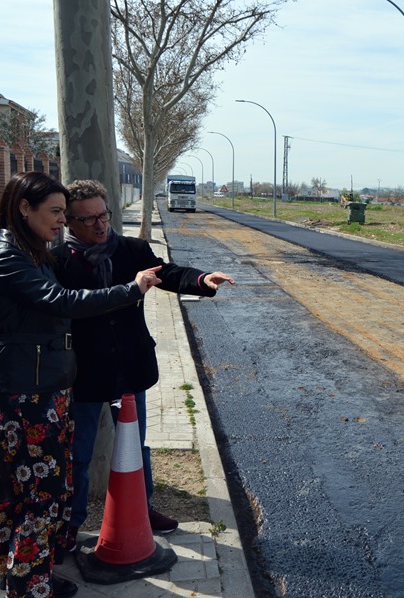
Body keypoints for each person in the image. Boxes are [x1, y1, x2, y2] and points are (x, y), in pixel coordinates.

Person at [0, 171, 162, 598]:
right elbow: (63, 302)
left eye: (64, 213)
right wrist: (130, 290)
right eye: (56, 212)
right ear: (25, 208)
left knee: (33, 490)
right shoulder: (9, 258)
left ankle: (25, 570)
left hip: (43, 387)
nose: (62, 222)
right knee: (36, 492)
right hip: (26, 394)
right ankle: (29, 586)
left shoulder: (29, 252)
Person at [50, 180, 234, 550]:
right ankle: (70, 523)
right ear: (69, 222)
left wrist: (201, 279)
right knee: (78, 452)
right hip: (82, 375)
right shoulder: (58, 262)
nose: (100, 225)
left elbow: (168, 273)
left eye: (104, 215)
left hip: (130, 368)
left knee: (136, 444)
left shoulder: (132, 250)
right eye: (88, 220)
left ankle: (142, 508)